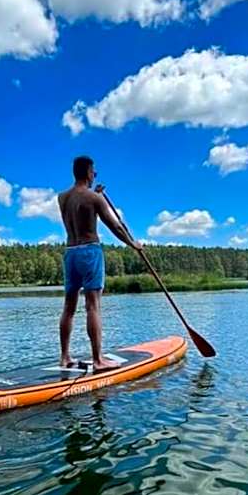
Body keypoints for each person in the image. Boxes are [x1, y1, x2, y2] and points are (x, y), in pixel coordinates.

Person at [58, 155, 142, 372]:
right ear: (87, 172)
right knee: (93, 306)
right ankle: (98, 360)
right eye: (93, 171)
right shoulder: (94, 199)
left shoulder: (62, 198)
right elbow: (116, 227)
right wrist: (132, 244)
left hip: (70, 253)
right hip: (89, 251)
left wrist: (96, 195)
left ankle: (65, 357)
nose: (95, 175)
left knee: (69, 307)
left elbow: (80, 205)